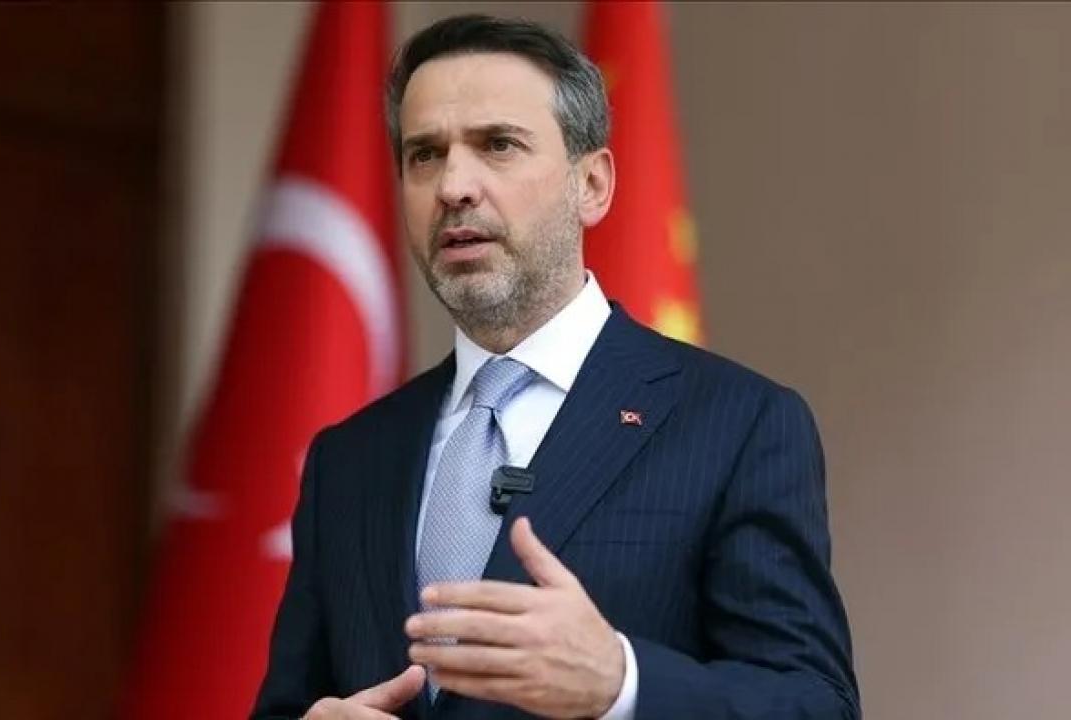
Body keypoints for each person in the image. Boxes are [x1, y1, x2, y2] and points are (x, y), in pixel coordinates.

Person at [252, 14, 859, 720]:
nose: (453, 186)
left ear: (592, 185)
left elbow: (816, 705)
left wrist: (621, 683)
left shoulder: (736, 425)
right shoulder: (350, 458)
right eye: (425, 155)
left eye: (498, 145)